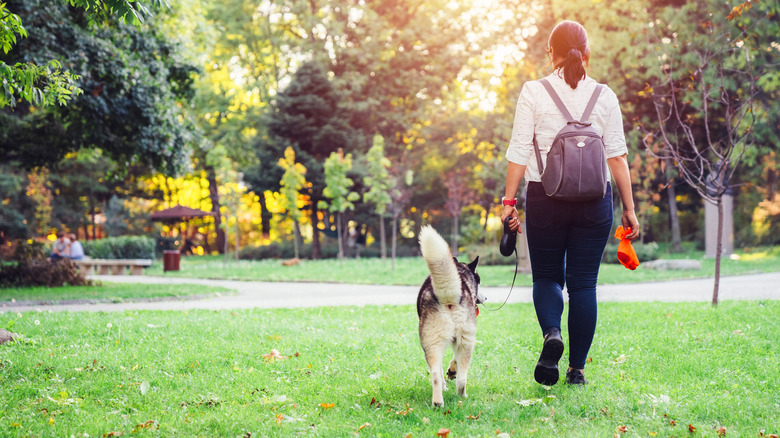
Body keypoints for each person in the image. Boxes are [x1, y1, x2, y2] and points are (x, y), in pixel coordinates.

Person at [500, 20, 640, 386]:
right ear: (587, 53)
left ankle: (552, 335)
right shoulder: (605, 96)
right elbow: (617, 157)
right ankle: (576, 370)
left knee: (546, 276)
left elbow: (517, 150)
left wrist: (509, 201)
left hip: (546, 197)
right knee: (583, 285)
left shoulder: (534, 91)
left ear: (552, 53)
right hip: (596, 202)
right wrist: (629, 207)